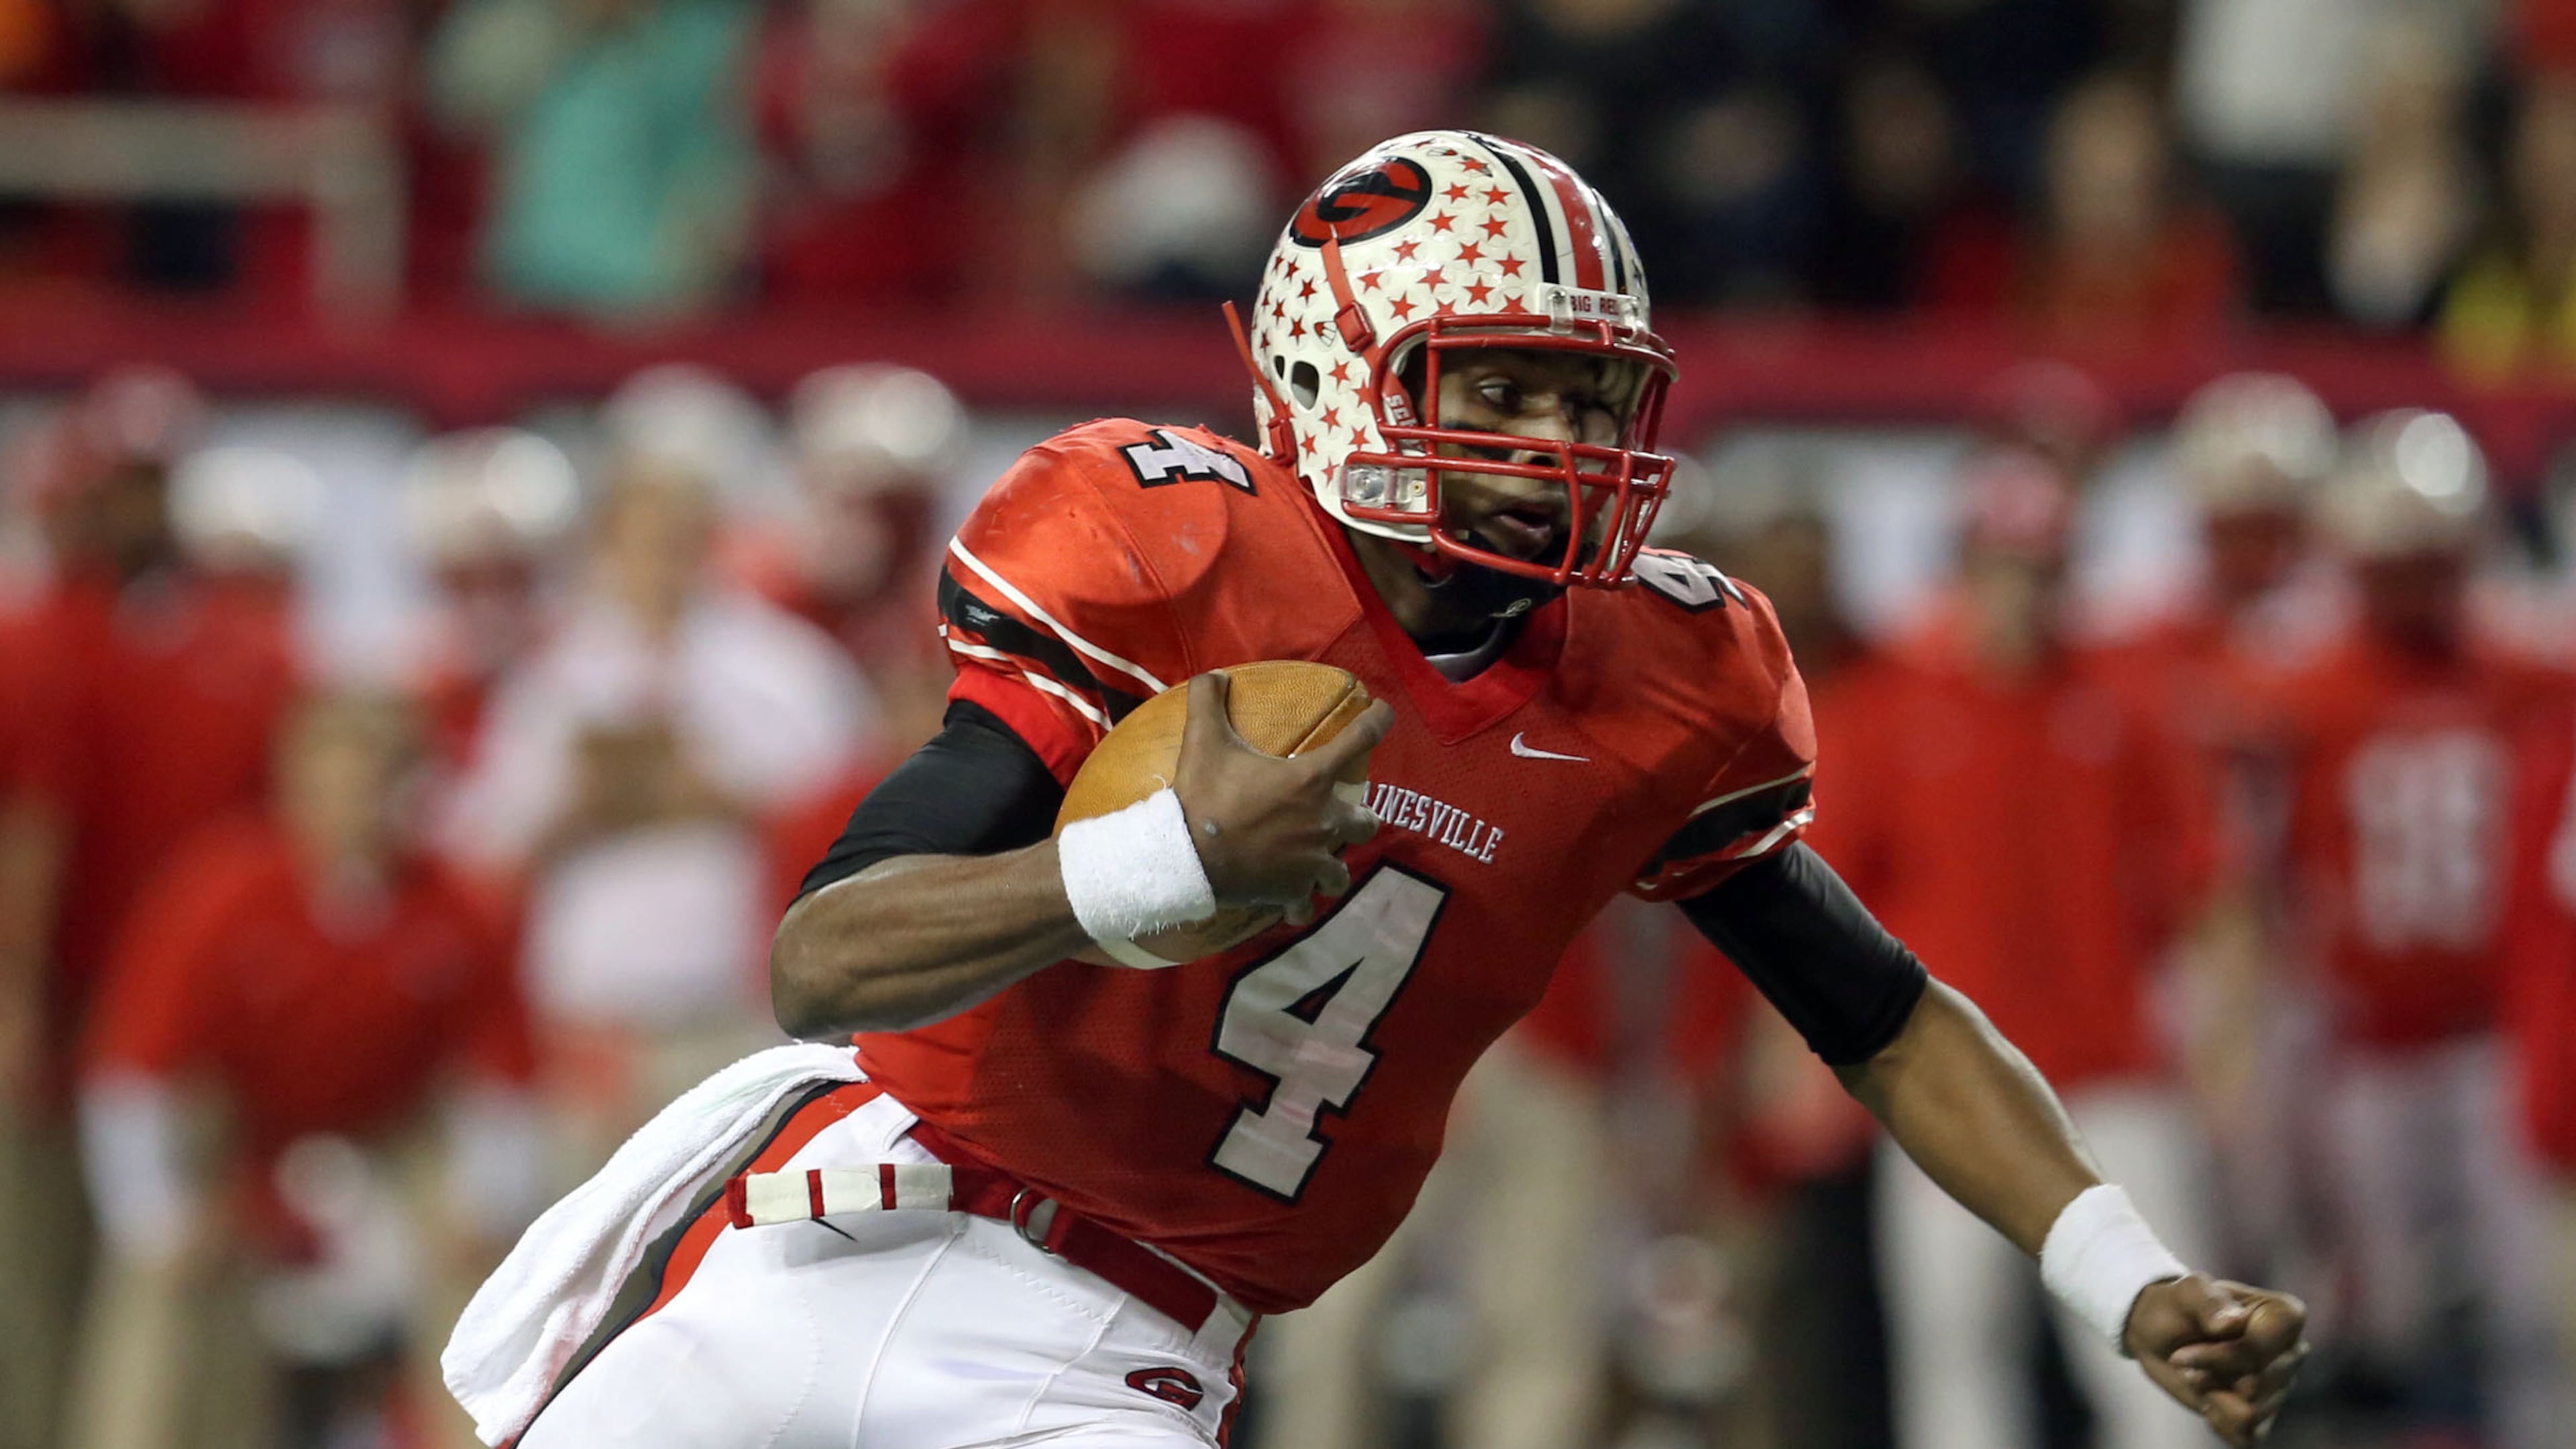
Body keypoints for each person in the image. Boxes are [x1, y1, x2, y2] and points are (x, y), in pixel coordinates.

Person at [454, 131, 2308, 1449]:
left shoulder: (1666, 680)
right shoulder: (1177, 555)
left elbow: (1885, 1020)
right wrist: (1147, 866)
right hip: (831, 1221)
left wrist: (2124, 1272)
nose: (1559, 450)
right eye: (1500, 386)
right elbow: (828, 962)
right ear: (1338, 375)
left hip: (1111, 1357)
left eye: (1591, 403)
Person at [1815, 457, 2228, 1449]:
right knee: (1957, 1355)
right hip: (1948, 1085)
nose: (2023, 591)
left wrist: (2226, 1044)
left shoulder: (2119, 703)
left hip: (2110, 1074)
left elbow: (2210, 887)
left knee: (2160, 1350)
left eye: (2041, 568)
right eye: (2003, 566)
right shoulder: (1893, 704)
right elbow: (1819, 902)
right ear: (1963, 567)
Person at [70, 692, 545, 1449]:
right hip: (237, 1123)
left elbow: (504, 1075)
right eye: (329, 785)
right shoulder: (219, 891)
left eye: (372, 783)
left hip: (390, 1124)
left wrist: (483, 1205)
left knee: (483, 1283)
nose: (350, 809)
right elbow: (134, 1069)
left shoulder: (455, 904)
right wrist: (156, 1214)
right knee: (158, 1294)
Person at [2270, 411, 2573, 1448]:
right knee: (2382, 1317)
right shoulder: (2302, 683)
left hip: (2496, 1035)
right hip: (2365, 1039)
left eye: (2431, 561)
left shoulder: (2527, 670)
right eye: (2393, 565)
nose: (2413, 588)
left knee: (2525, 1304)